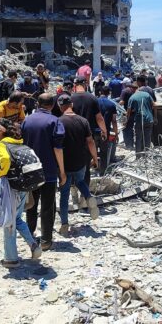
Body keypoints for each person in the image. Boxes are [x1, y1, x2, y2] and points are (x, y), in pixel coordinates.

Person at [0, 119, 43, 267]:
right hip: (22, 186)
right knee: (17, 218)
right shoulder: (18, 142)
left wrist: (1, 173)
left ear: (1, 131)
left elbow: (6, 159)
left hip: (11, 187)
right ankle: (33, 245)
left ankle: (11, 259)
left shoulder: (1, 145)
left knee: (9, 222)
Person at [21, 93, 66, 250]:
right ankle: (46, 240)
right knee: (47, 206)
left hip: (29, 169)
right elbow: (58, 148)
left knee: (31, 205)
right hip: (49, 170)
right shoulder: (55, 121)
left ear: (37, 104)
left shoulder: (26, 120)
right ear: (53, 105)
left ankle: (29, 236)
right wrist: (62, 171)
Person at [57, 95, 99, 237]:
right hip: (81, 160)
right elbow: (90, 141)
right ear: (72, 105)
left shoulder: (58, 122)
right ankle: (88, 196)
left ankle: (64, 225)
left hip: (65, 162)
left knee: (64, 194)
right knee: (80, 181)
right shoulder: (83, 121)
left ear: (60, 106)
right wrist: (95, 158)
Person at [71, 76, 107, 186]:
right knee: (86, 165)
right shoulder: (92, 98)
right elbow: (99, 118)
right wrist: (104, 131)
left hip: (73, 136)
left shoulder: (70, 98)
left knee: (73, 163)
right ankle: (84, 192)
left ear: (74, 85)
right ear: (86, 84)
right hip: (89, 136)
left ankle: (73, 189)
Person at [126, 82, 157, 154]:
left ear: (132, 89)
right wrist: (155, 117)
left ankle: (138, 156)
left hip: (139, 120)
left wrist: (126, 121)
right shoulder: (147, 94)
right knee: (147, 138)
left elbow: (128, 112)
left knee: (138, 138)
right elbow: (155, 105)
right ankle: (147, 155)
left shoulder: (132, 98)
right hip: (149, 119)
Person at [97, 86, 119, 172]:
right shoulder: (111, 104)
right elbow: (114, 121)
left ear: (100, 92)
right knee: (104, 152)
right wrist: (116, 133)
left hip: (94, 131)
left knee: (92, 150)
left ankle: (93, 166)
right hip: (105, 132)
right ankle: (103, 171)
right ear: (109, 93)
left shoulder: (94, 102)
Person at [119, 79, 136, 150]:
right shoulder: (134, 91)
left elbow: (122, 102)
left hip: (126, 112)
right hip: (134, 112)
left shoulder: (124, 91)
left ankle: (128, 145)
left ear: (125, 84)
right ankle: (131, 144)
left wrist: (118, 104)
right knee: (131, 128)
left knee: (125, 128)